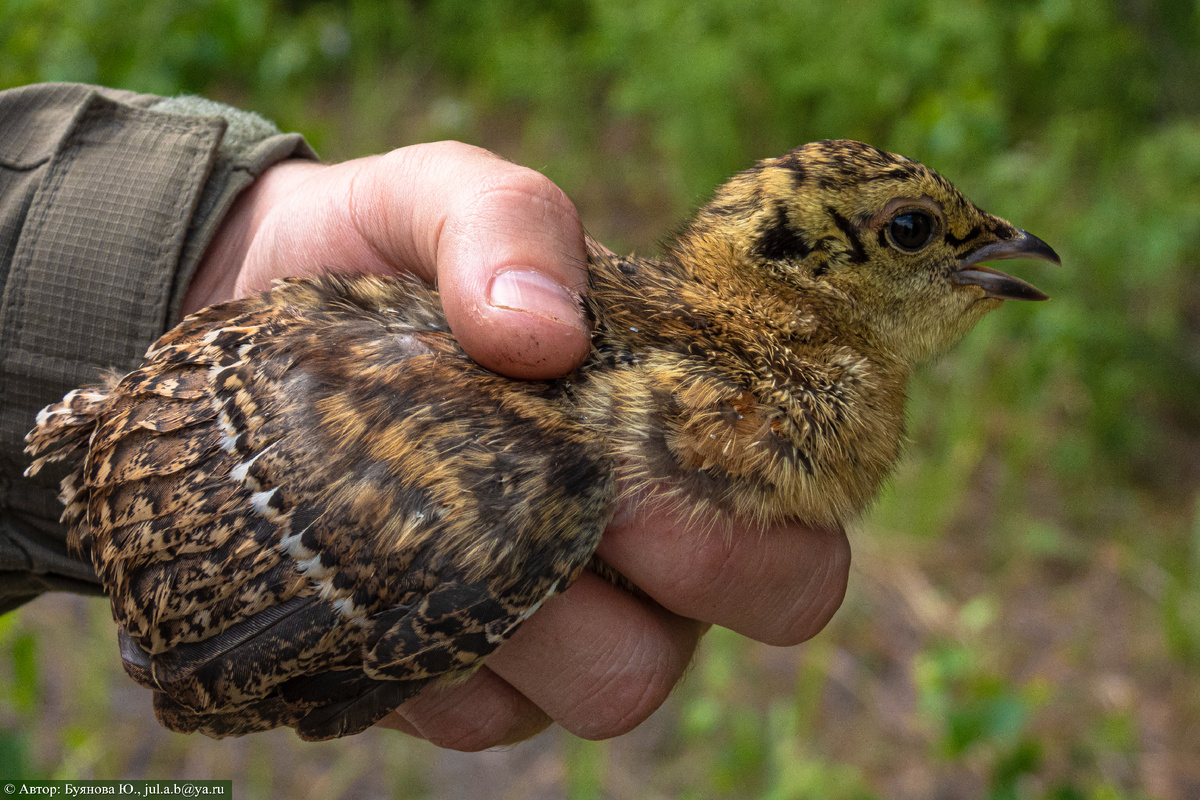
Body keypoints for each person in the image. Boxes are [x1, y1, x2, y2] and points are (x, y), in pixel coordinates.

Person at [0, 82, 849, 750]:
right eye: (914, 234)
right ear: (790, 256)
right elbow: (211, 635)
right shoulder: (563, 438)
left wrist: (210, 252)